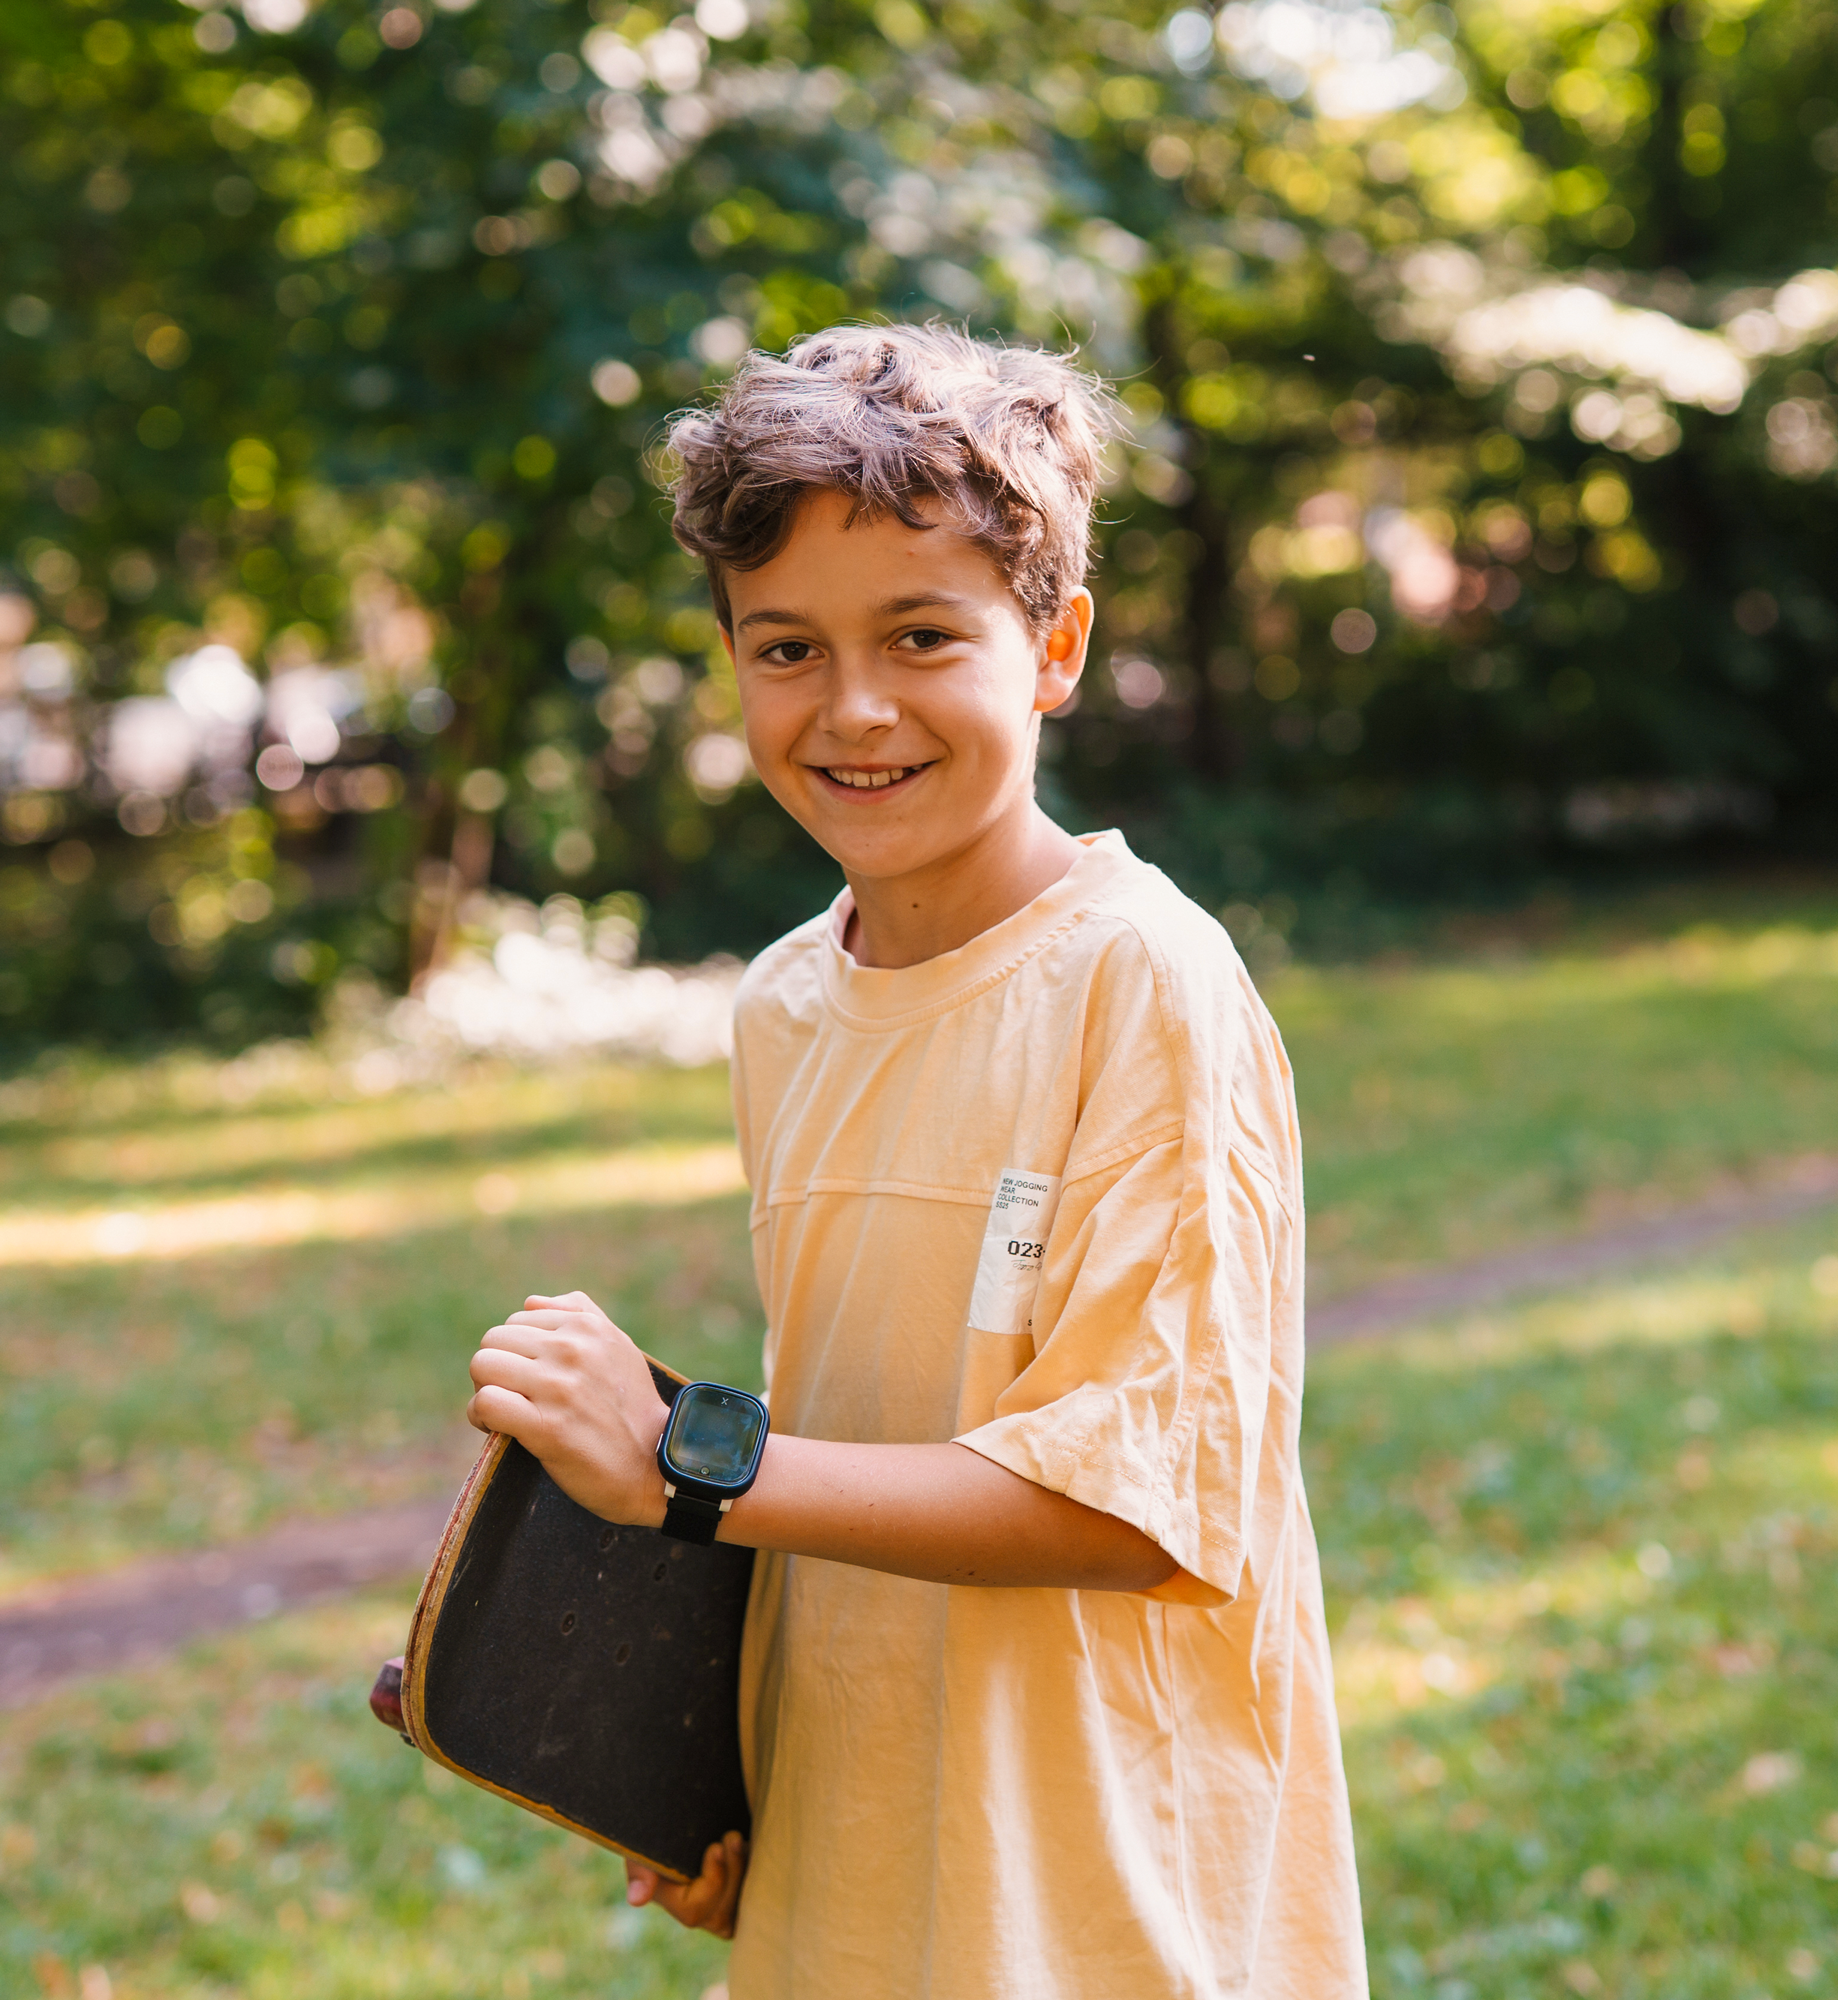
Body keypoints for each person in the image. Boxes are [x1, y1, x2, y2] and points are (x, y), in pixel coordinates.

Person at [466, 324, 1367, 1997]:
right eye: (786, 647)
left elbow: (1134, 1507)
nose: (853, 708)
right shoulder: (785, 1008)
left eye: (923, 635)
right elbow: (867, 1435)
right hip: (856, 1873)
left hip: (1099, 1898)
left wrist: (684, 1466)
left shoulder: (1142, 985)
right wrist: (721, 1757)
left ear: (1054, 646)